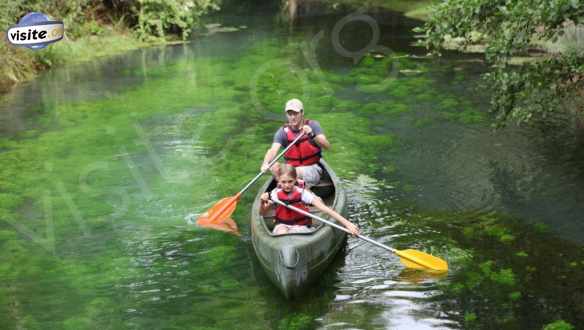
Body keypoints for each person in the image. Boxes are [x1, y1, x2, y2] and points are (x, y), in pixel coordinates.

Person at [259, 164, 360, 236]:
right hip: (282, 225)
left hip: (300, 226)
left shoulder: (303, 193)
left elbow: (326, 209)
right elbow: (262, 213)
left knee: (295, 235)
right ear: (279, 181)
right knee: (282, 233)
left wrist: (348, 224)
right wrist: (262, 202)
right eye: (283, 182)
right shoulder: (274, 194)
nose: (287, 185)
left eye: (290, 181)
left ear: (295, 180)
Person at [261, 98, 331, 187]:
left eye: (295, 114)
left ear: (302, 113)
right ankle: (288, 190)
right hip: (291, 170)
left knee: (291, 173)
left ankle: (288, 189)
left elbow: (327, 146)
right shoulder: (283, 132)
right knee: (274, 167)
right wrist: (265, 164)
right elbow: (273, 150)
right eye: (290, 114)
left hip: (312, 169)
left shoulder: (313, 125)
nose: (293, 117)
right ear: (286, 115)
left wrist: (312, 134)